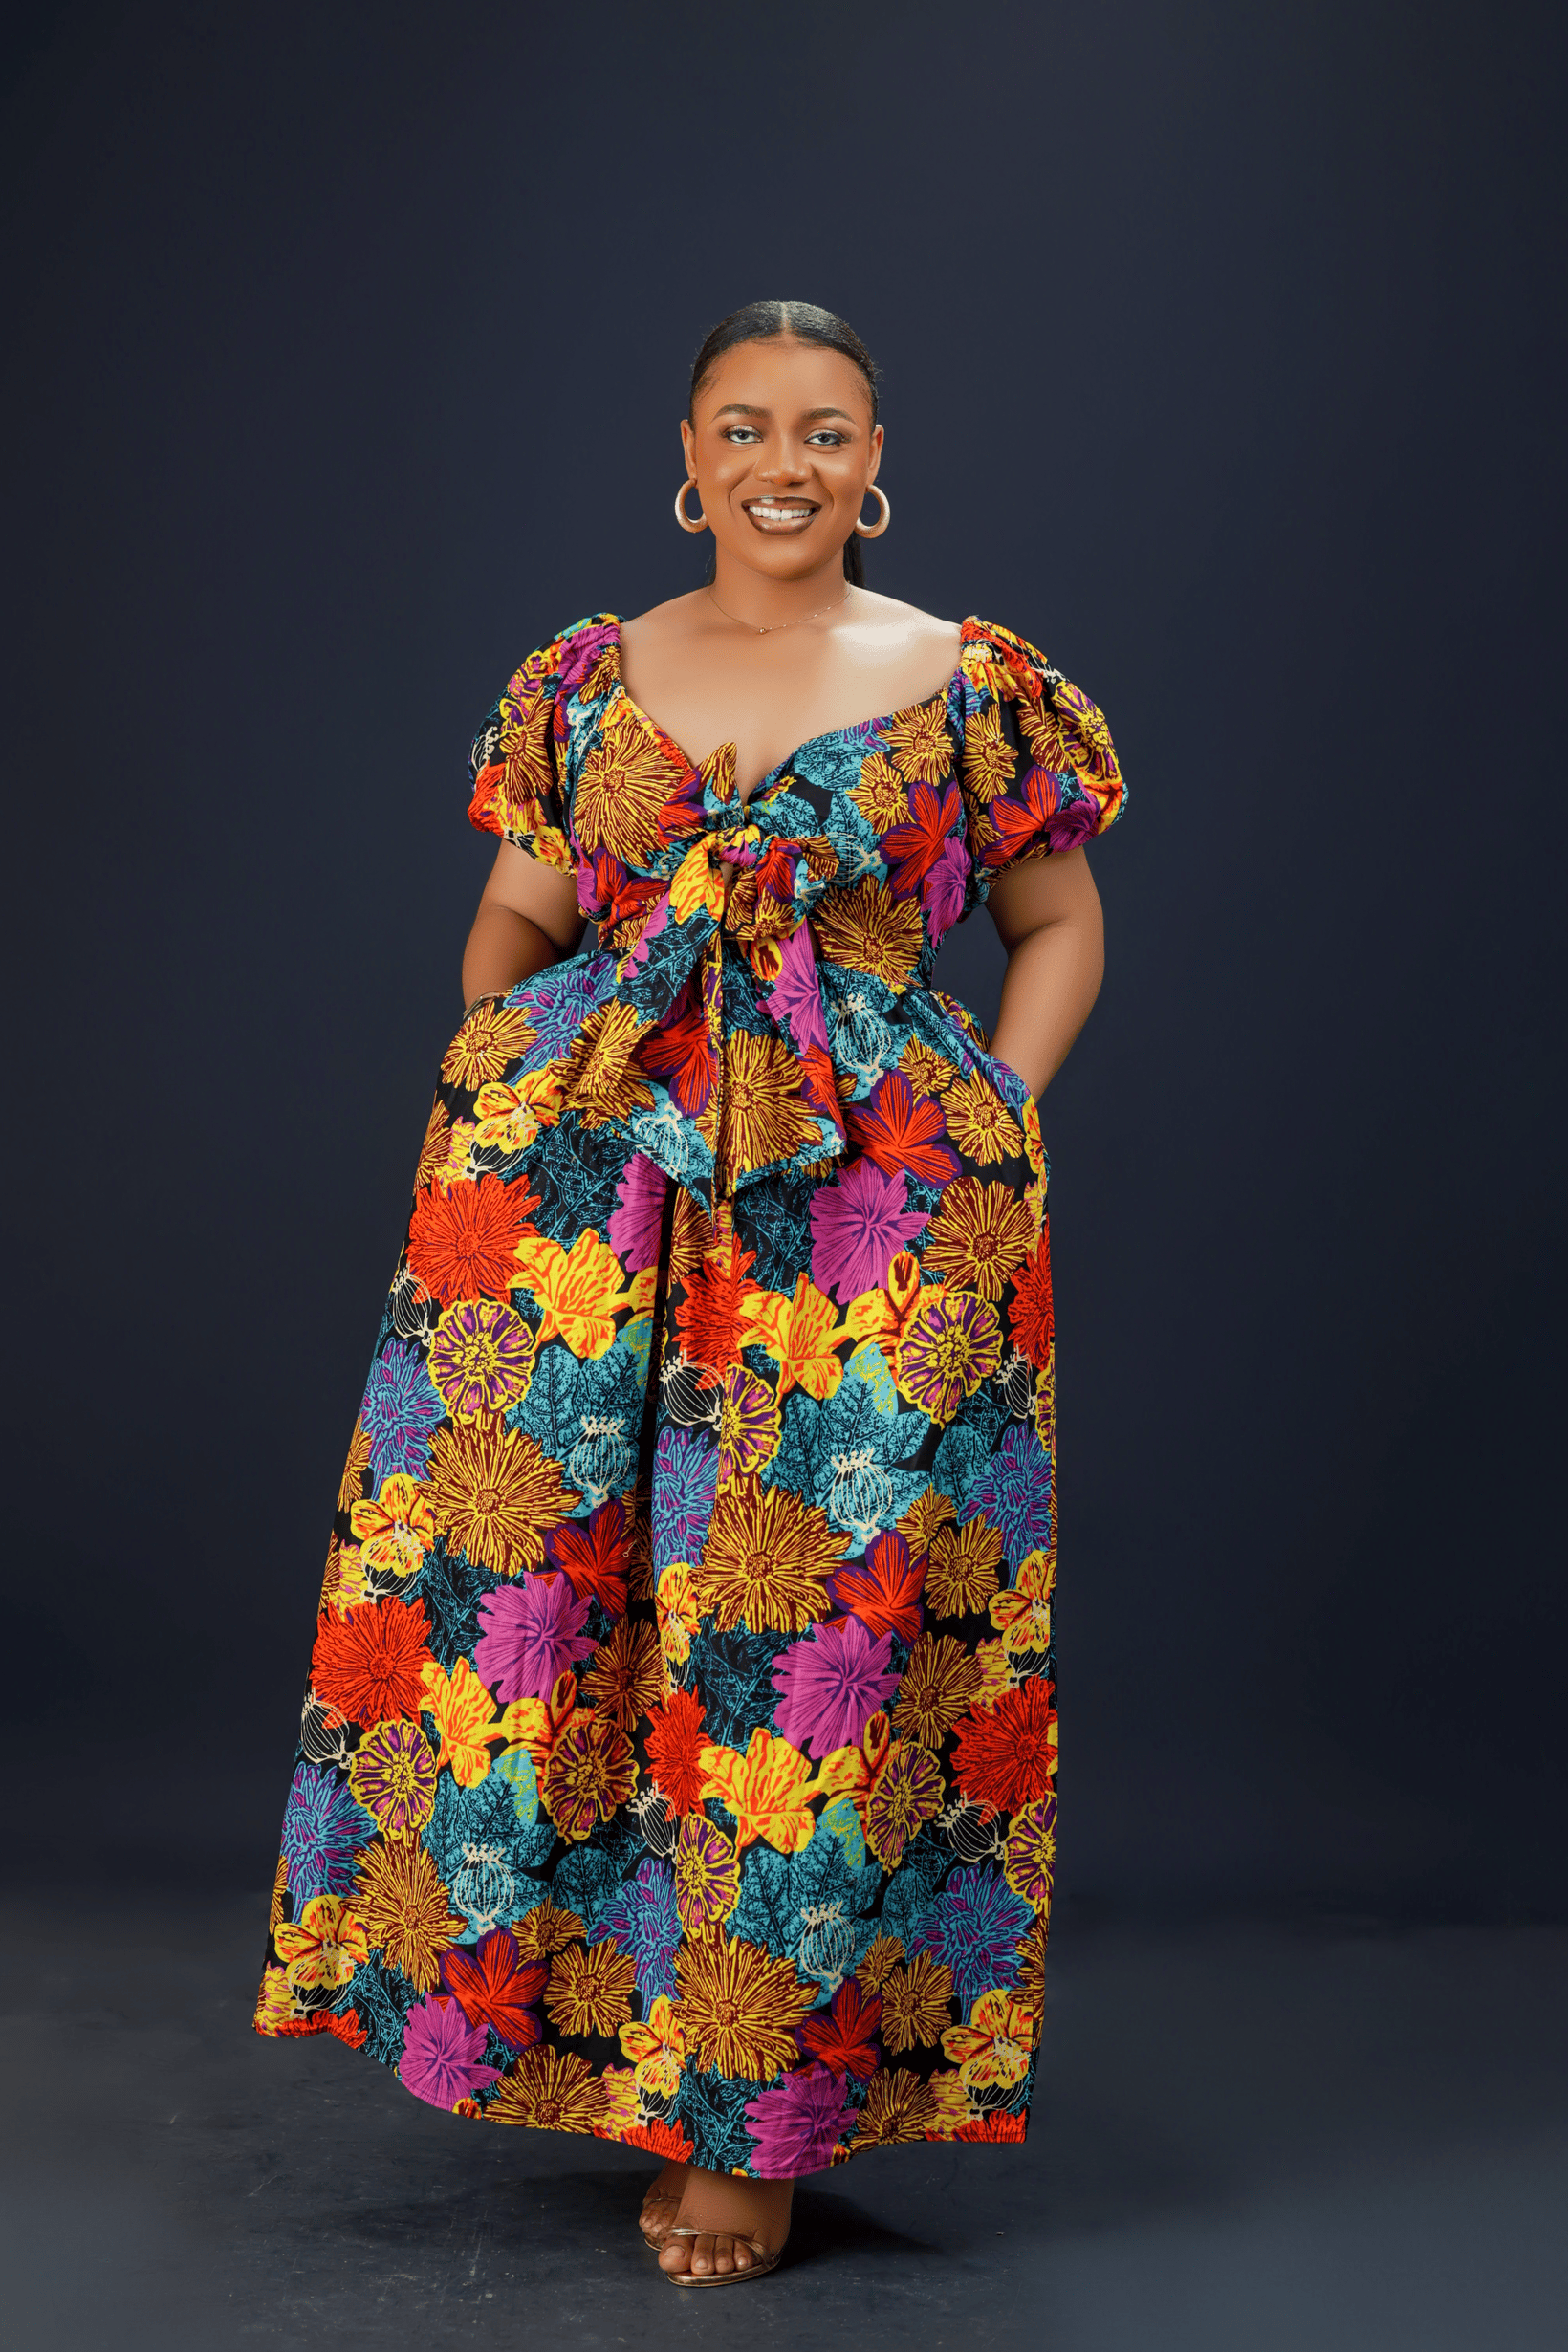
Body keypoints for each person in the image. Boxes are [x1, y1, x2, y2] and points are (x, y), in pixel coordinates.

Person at [253, 298, 1125, 2288]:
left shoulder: (964, 687)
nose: (783, 464)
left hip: (862, 1228)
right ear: (691, 447)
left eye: (823, 429)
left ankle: (753, 2125)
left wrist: (994, 1113)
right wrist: (502, 1090)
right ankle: (607, 2063)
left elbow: (1056, 921)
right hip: (581, 1219)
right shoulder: (584, 682)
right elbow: (519, 916)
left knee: (800, 1654)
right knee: (544, 1623)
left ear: (875, 454)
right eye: (747, 427)